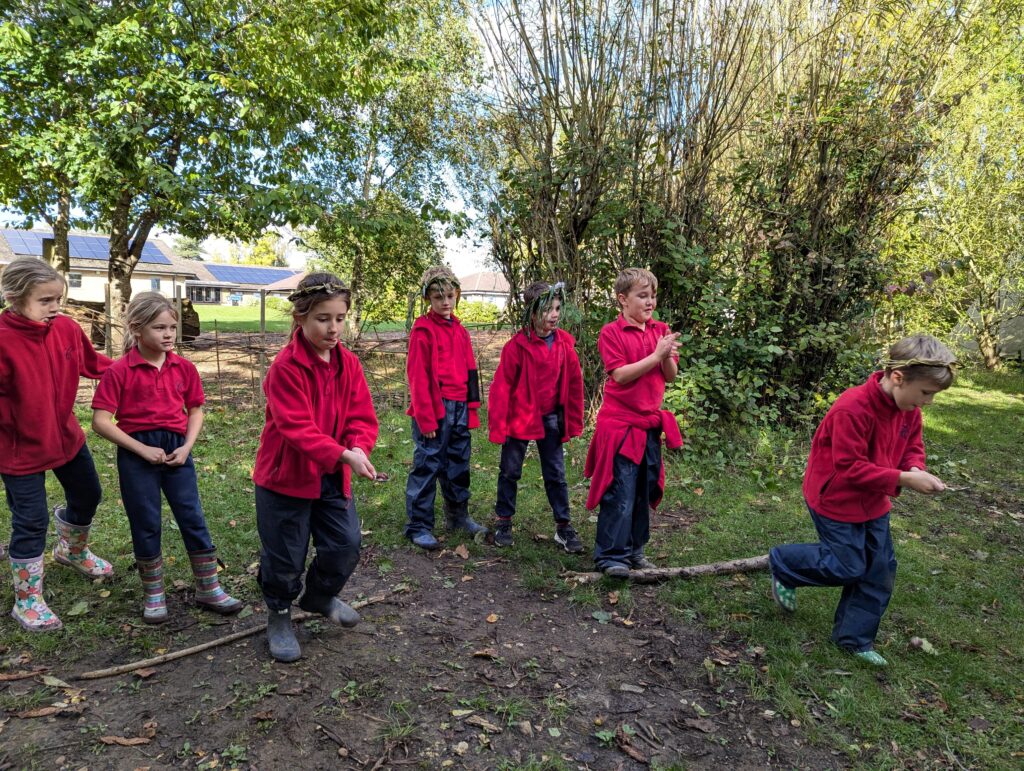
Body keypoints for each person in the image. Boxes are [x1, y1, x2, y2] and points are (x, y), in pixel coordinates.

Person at [768, 335, 956, 667]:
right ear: (898, 378)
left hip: (874, 501)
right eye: (926, 393)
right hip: (835, 499)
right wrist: (903, 479)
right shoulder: (852, 408)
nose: (928, 402)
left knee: (879, 569)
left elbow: (912, 444)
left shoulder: (908, 408)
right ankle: (784, 564)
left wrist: (914, 466)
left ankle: (853, 640)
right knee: (847, 565)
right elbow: (850, 468)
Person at [92, 292, 241, 624]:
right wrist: (141, 450)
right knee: (145, 521)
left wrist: (187, 447)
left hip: (176, 451)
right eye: (159, 327)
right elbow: (101, 421)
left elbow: (196, 409)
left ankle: (208, 586)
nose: (169, 334)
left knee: (193, 516)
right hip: (136, 454)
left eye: (172, 327)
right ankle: (154, 595)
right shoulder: (120, 371)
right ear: (136, 328)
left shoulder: (183, 368)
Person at [252, 273, 378, 663]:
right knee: (286, 556)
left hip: (331, 475)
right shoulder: (285, 368)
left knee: (345, 546)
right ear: (301, 317)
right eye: (324, 318)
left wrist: (358, 446)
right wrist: (344, 455)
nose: (333, 327)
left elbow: (361, 416)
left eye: (340, 318)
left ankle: (320, 596)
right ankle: (279, 613)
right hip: (285, 479)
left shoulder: (349, 364)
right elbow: (297, 429)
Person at [0, 257, 113, 632]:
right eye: (45, 300)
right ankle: (27, 599)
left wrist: (136, 368)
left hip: (64, 436)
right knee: (30, 519)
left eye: (58, 299)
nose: (55, 308)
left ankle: (71, 550)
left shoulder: (65, 328)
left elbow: (92, 362)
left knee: (88, 495)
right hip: (20, 448)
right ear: (15, 298)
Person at [585, 268, 683, 577]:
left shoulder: (660, 330)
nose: (650, 301)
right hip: (620, 428)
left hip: (648, 427)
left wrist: (665, 355)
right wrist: (656, 355)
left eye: (653, 295)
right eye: (642, 296)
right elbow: (621, 375)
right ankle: (611, 555)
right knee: (620, 491)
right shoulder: (610, 333)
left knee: (643, 490)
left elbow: (670, 376)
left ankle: (635, 551)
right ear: (623, 299)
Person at [487, 281, 585, 552]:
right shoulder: (516, 348)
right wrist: (498, 426)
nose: (554, 315)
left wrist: (573, 420)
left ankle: (563, 526)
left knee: (556, 473)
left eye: (557, 308)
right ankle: (504, 521)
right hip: (519, 419)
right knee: (510, 471)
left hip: (551, 419)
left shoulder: (565, 345)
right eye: (547, 310)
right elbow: (501, 389)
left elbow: (574, 385)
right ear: (531, 313)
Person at [404, 266, 486, 550]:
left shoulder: (461, 330)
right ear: (429, 298)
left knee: (458, 463)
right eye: (438, 297)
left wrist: (471, 408)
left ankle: (458, 516)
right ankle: (418, 525)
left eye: (450, 296)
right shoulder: (423, 331)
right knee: (428, 464)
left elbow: (470, 370)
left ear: (457, 295)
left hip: (460, 406)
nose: (445, 302)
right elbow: (418, 377)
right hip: (435, 410)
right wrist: (426, 419)